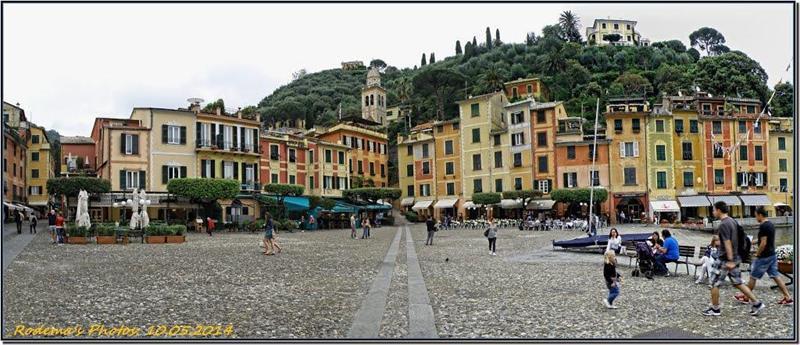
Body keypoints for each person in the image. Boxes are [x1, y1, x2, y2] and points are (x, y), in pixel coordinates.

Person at [703, 201, 764, 316]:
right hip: (736, 256)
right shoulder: (732, 221)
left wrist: (730, 260)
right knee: (738, 282)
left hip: (725, 259)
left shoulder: (724, 224)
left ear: (719, 210)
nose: (713, 212)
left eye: (714, 210)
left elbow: (727, 242)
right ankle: (757, 303)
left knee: (714, 283)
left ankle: (715, 309)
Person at [734, 207, 793, 305]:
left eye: (756, 215)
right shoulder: (770, 224)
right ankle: (788, 297)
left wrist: (757, 253)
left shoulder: (763, 226)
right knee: (776, 276)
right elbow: (765, 239)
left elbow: (764, 243)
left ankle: (746, 297)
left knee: (753, 277)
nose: (755, 217)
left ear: (760, 215)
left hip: (764, 257)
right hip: (772, 255)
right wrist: (752, 242)